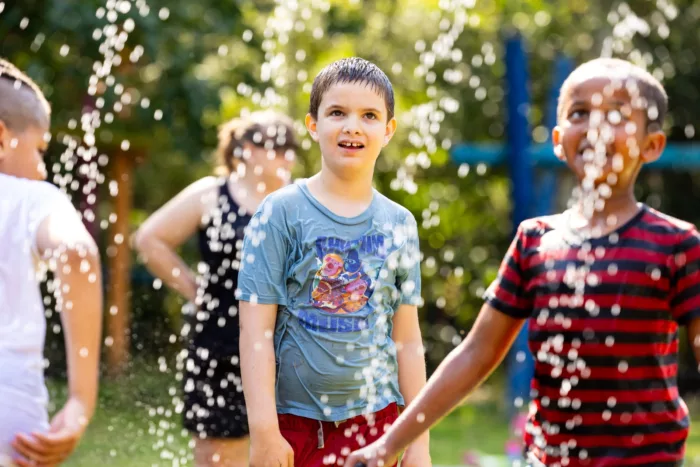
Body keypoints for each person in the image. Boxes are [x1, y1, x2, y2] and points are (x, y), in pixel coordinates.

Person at [346, 57, 700, 467]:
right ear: (558, 138)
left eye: (617, 114)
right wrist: (388, 444)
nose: (596, 126)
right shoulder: (536, 241)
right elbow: (476, 354)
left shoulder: (677, 245)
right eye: (580, 113)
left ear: (652, 145)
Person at [236, 57, 432, 467]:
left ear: (388, 130)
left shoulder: (399, 222)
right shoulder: (280, 213)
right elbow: (255, 332)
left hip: (377, 426)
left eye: (369, 115)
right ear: (313, 124)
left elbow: (408, 340)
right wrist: (265, 432)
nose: (352, 126)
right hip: (294, 424)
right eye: (337, 112)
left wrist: (418, 442)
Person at [133, 110, 298, 466]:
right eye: (277, 145)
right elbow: (149, 239)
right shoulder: (212, 193)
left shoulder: (299, 201)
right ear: (247, 150)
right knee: (217, 456)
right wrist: (194, 290)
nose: (288, 154)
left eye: (292, 146)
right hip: (219, 341)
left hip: (285, 343)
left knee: (288, 451)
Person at [0, 58, 103, 466]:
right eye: (40, 148)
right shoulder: (30, 196)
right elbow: (77, 253)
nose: (43, 167)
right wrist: (80, 402)